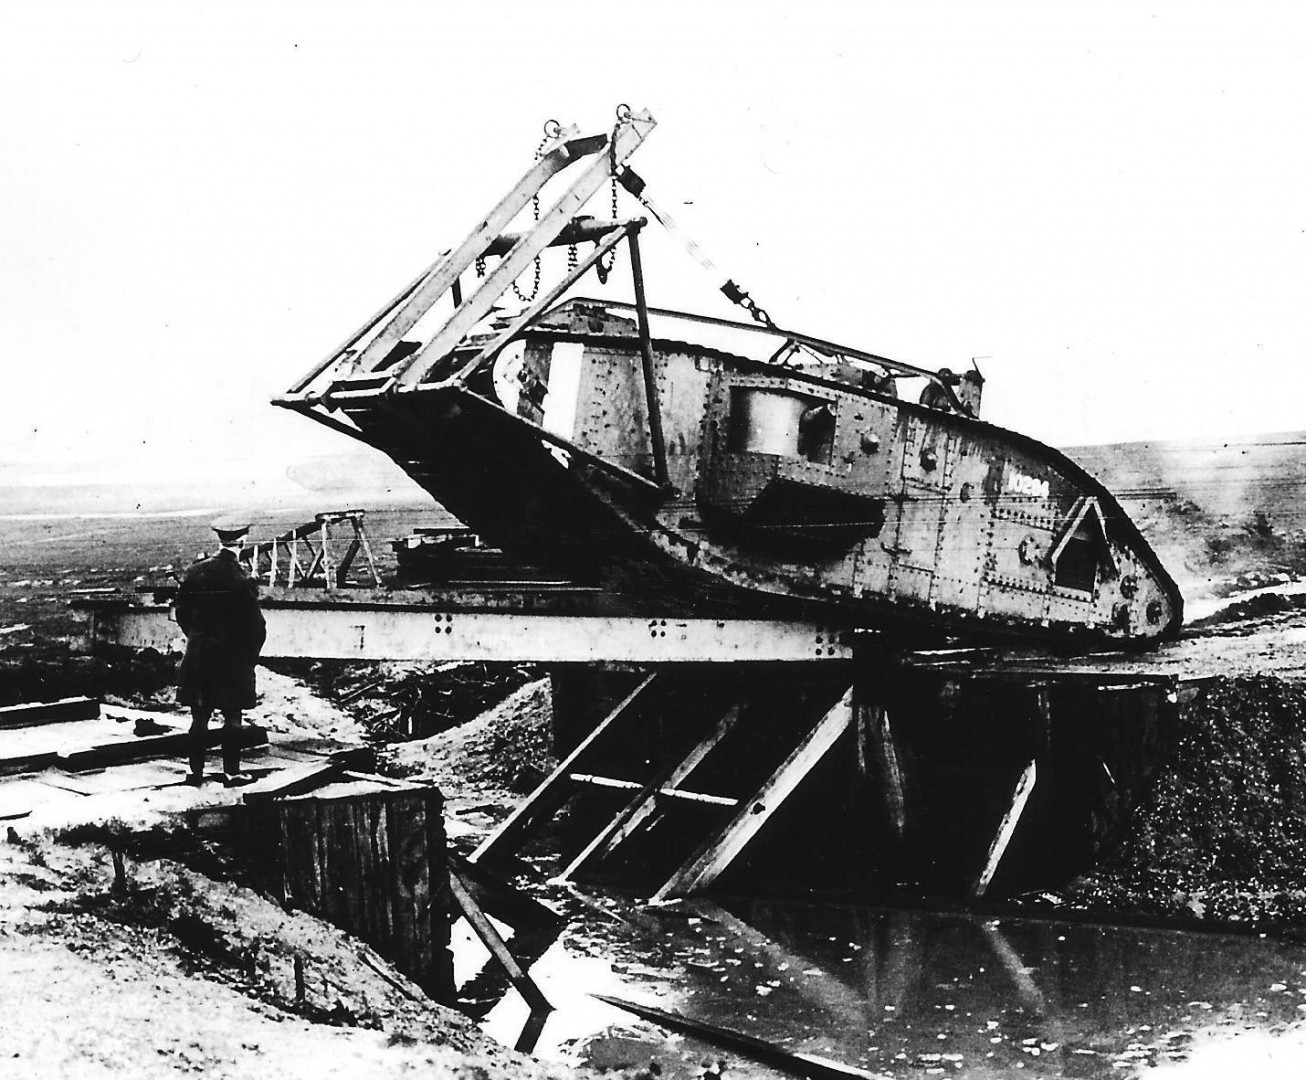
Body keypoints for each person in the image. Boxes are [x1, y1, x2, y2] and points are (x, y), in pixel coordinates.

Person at [175, 519, 266, 786]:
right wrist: (249, 657)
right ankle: (231, 772)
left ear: (220, 540)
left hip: (199, 654)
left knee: (199, 717)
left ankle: (195, 773)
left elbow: (181, 613)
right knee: (233, 716)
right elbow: (256, 626)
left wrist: (196, 638)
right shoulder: (241, 579)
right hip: (230, 658)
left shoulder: (195, 572)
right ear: (243, 541)